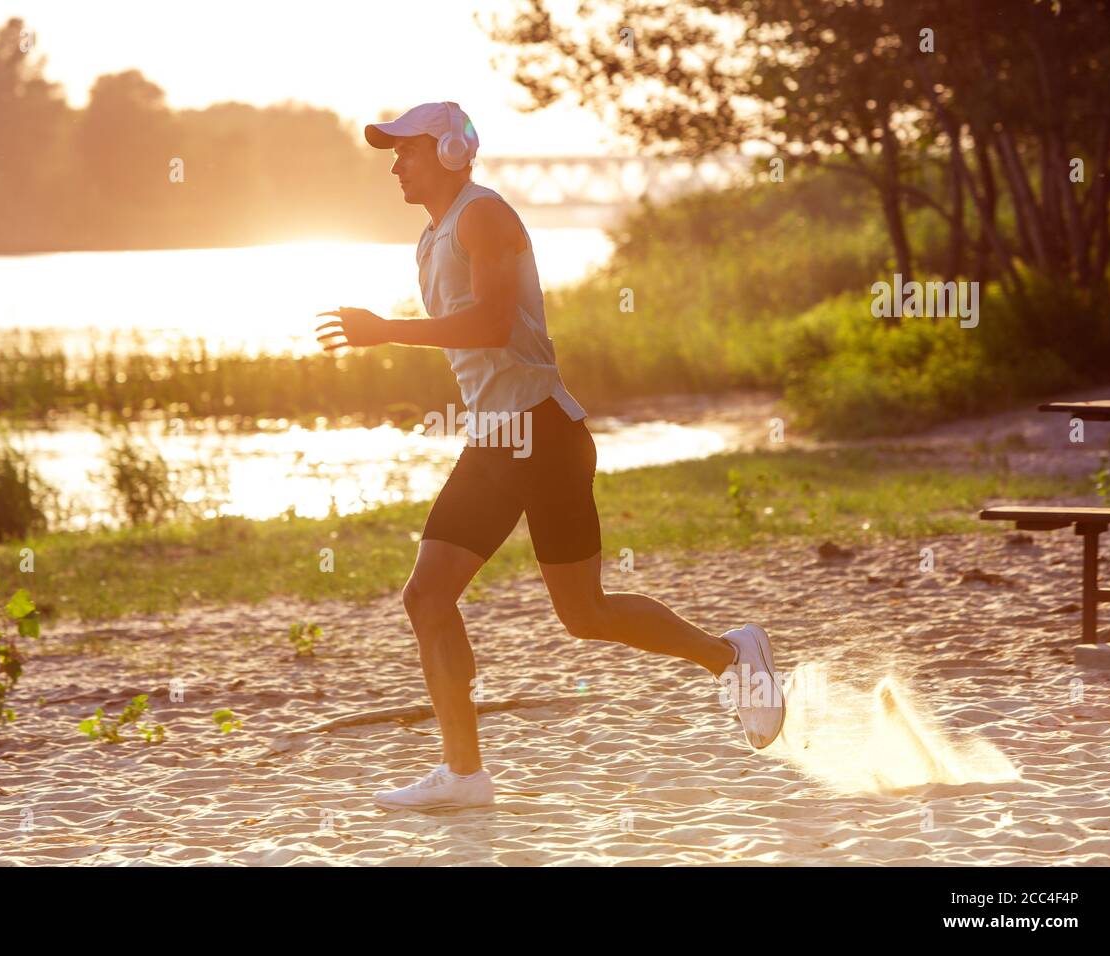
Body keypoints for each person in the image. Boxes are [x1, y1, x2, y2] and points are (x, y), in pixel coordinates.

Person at [316, 102, 784, 811]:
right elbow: (472, 338)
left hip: (537, 432)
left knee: (504, 603)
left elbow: (493, 324)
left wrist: (386, 332)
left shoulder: (483, 216)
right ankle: (468, 771)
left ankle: (730, 655)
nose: (394, 164)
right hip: (503, 436)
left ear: (447, 150)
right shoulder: (433, 235)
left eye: (405, 150)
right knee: (543, 608)